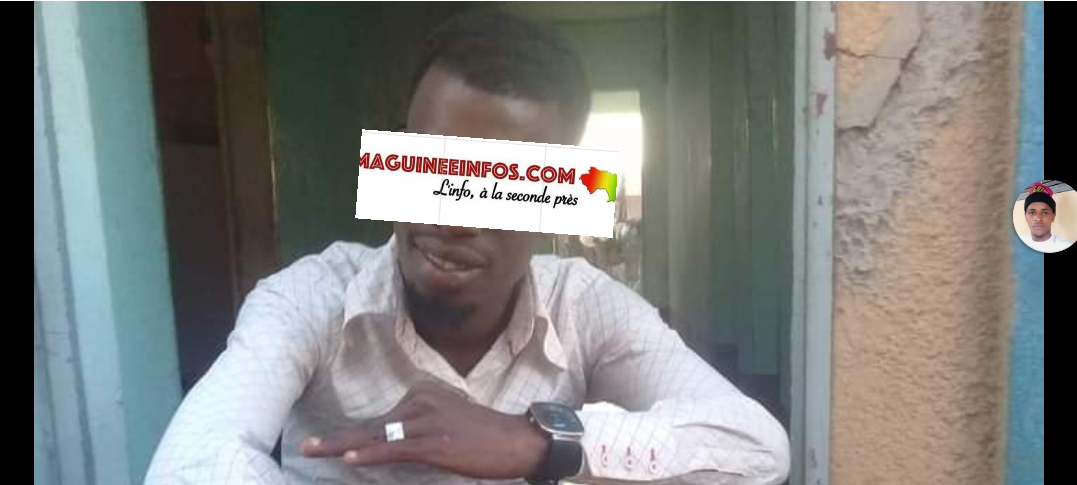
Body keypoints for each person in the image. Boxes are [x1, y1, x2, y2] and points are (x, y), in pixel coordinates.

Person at [146, 10, 789, 485]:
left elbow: (758, 448)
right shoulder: (309, 300)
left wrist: (537, 442)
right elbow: (187, 466)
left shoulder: (582, 305)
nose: (453, 216)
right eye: (432, 164)